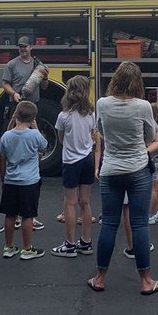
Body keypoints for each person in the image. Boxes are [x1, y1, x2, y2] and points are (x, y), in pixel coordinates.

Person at [87, 61, 158, 295]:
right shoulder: (143, 106)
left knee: (109, 224)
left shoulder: (102, 103)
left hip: (111, 168)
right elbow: (150, 135)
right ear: (137, 82)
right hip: (138, 168)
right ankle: (145, 280)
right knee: (140, 224)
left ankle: (100, 278)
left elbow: (99, 129)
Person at [52, 75, 99, 257]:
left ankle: (69, 244)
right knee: (85, 202)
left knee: (70, 203)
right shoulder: (90, 114)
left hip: (71, 161)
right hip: (87, 159)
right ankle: (86, 242)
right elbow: (91, 134)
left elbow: (61, 139)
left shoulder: (64, 116)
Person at [0, 100, 47, 260]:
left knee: (10, 215)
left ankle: (9, 246)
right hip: (29, 181)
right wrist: (36, 127)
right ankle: (27, 248)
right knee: (28, 215)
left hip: (11, 180)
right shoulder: (34, 135)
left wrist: (3, 178)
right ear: (33, 118)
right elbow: (44, 147)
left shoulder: (6, 136)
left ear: (16, 115)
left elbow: (2, 159)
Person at [2, 37, 48, 106]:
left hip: (34, 105)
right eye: (20, 47)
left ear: (31, 47)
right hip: (17, 104)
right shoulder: (11, 65)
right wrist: (13, 93)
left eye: (25, 46)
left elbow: (44, 87)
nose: (22, 49)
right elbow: (5, 84)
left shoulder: (38, 65)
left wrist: (45, 77)